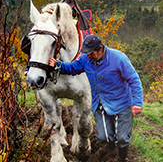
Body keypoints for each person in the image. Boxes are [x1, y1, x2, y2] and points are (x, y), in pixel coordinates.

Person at [48, 34, 143, 162]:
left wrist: (137, 102)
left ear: (100, 49)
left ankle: (121, 158)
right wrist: (58, 66)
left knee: (122, 138)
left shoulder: (118, 58)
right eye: (86, 53)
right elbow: (72, 68)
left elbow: (134, 80)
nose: (88, 56)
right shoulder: (85, 60)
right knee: (103, 137)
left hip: (122, 102)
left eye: (90, 53)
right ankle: (111, 150)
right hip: (100, 102)